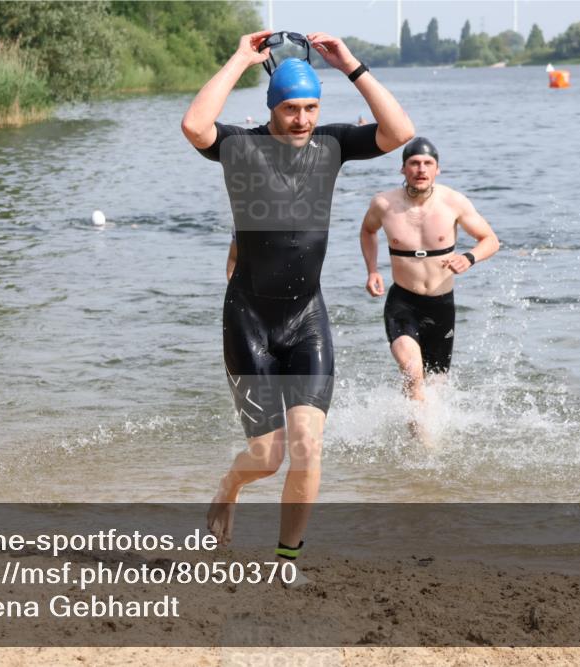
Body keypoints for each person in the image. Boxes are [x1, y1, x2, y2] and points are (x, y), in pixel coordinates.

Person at [181, 30, 414, 580]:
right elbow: (195, 126)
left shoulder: (332, 146)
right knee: (267, 457)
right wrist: (241, 56)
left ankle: (287, 561)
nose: (303, 118)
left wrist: (351, 65)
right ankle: (228, 487)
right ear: (272, 107)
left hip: (305, 319)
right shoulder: (240, 148)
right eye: (291, 108)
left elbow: (399, 131)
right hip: (250, 321)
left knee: (308, 447)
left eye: (311, 107)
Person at [360, 137, 499, 413]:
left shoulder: (453, 202)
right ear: (403, 169)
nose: (421, 169)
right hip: (403, 303)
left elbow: (490, 240)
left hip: (441, 305)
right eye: (414, 163)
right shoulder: (384, 204)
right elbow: (368, 231)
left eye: (427, 163)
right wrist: (372, 270)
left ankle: (418, 444)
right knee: (413, 373)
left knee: (434, 391)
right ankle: (419, 447)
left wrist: (468, 258)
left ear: (437, 170)